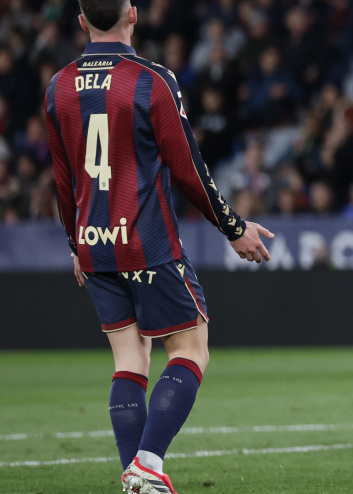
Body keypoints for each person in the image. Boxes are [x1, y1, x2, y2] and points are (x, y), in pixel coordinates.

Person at [46, 1, 274, 492]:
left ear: (82, 21)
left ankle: (136, 478)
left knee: (129, 360)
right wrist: (234, 228)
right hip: (146, 242)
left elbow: (62, 181)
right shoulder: (151, 79)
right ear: (133, 14)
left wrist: (75, 243)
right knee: (191, 347)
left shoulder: (58, 85)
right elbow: (188, 170)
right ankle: (147, 463)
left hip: (93, 243)